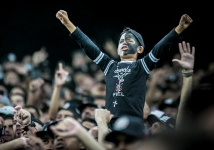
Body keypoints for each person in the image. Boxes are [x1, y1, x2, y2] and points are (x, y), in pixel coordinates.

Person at [56, 10, 193, 120]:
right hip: (110, 124)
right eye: (121, 41)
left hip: (134, 125)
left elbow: (160, 48)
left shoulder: (141, 66)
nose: (124, 42)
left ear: (139, 49)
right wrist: (68, 24)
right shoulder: (110, 65)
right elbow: (88, 46)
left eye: (129, 40)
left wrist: (179, 29)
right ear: (117, 50)